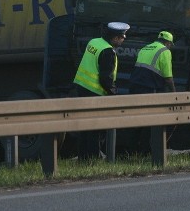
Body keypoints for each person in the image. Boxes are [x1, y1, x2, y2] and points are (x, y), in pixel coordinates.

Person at [72, 21, 129, 159]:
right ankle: (93, 158)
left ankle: (83, 158)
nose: (123, 40)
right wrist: (114, 94)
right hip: (96, 93)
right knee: (96, 129)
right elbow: (106, 79)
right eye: (122, 37)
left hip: (82, 88)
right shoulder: (108, 52)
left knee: (84, 127)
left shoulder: (94, 42)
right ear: (115, 38)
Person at [127, 31, 176, 153]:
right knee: (149, 123)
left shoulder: (145, 47)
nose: (170, 46)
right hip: (149, 89)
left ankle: (131, 151)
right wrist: (174, 93)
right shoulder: (165, 51)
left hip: (134, 87)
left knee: (135, 121)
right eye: (170, 44)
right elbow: (168, 77)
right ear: (167, 42)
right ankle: (145, 152)